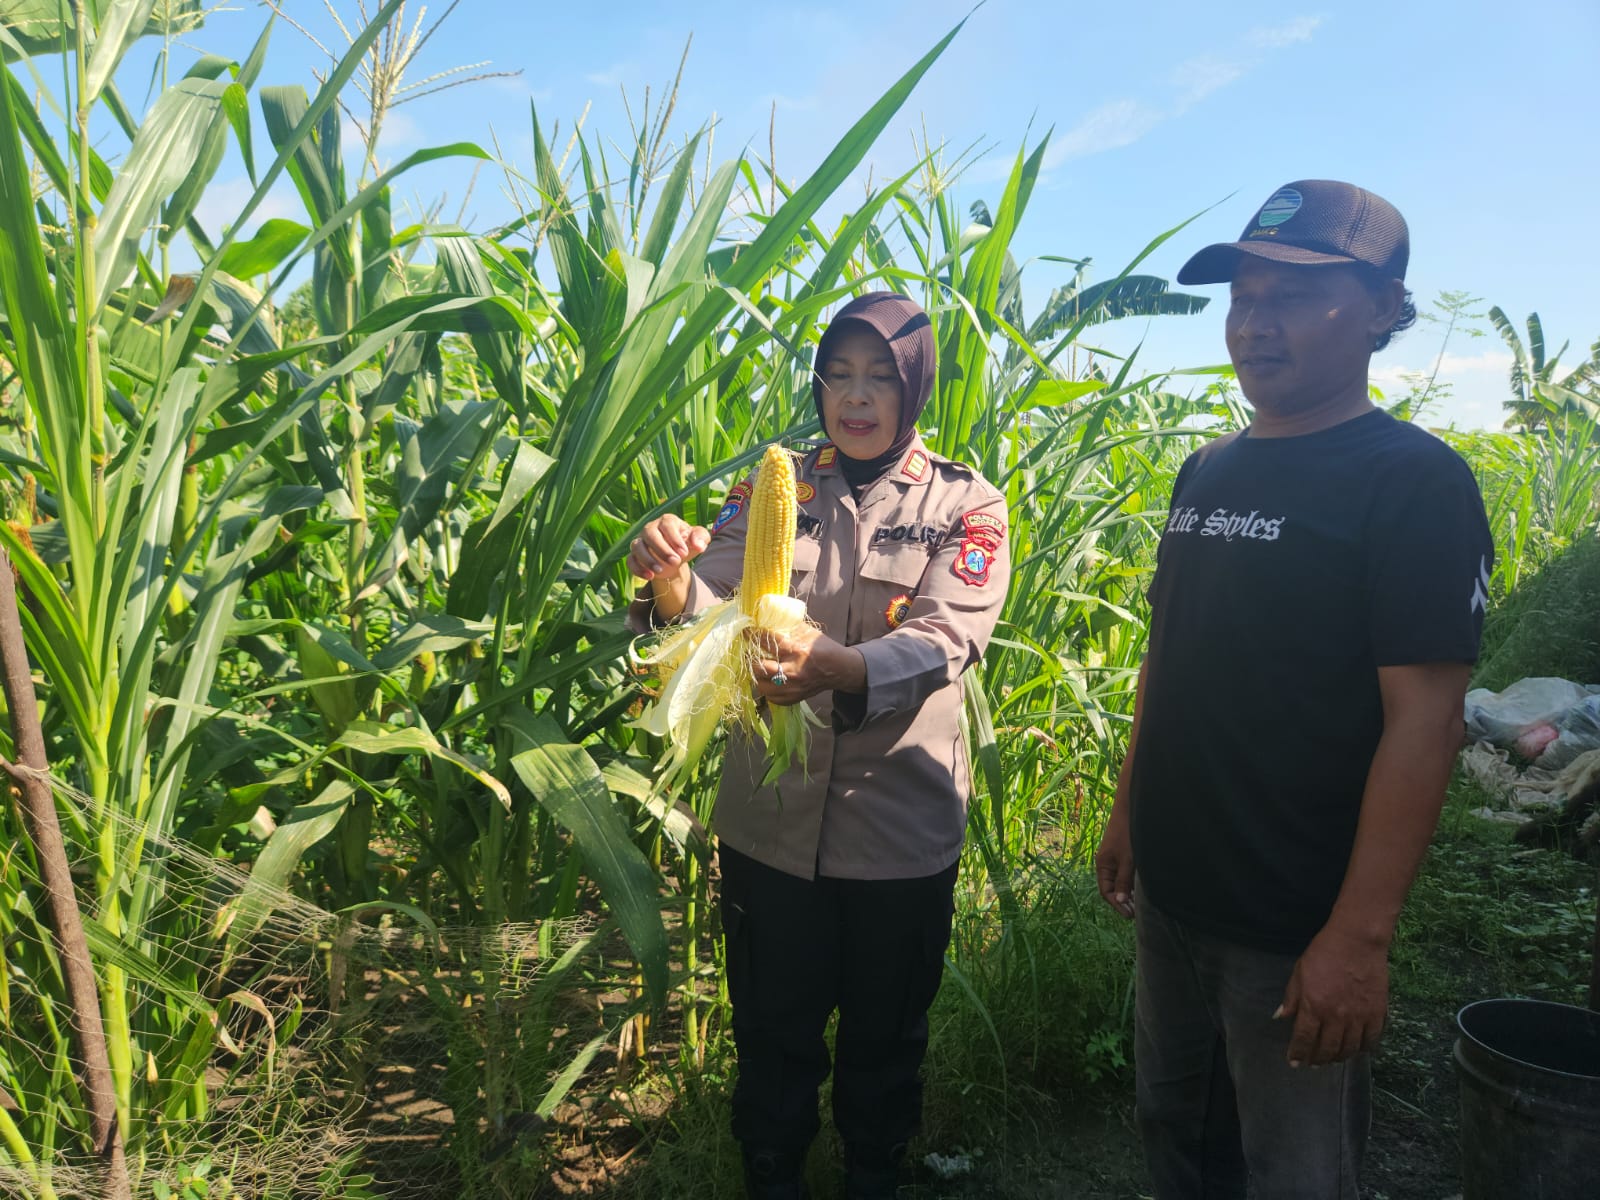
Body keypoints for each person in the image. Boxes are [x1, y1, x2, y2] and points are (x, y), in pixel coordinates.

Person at [1094, 180, 1494, 1198]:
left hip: (1292, 920)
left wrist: (1358, 937)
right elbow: (1169, 654)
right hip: (1176, 897)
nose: (1253, 324)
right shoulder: (1207, 472)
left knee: (1292, 1172)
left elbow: (1426, 718)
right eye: (1243, 298)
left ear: (1379, 311)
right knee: (1174, 1136)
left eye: (1291, 297)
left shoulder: (1410, 482)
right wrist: (1129, 802)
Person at [626, 292, 1010, 1199]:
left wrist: (839, 667)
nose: (856, 396)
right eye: (837, 376)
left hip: (899, 833)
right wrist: (672, 579)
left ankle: (874, 1171)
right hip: (770, 828)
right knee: (771, 1029)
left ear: (914, 385)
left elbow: (947, 638)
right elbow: (710, 602)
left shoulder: (968, 503)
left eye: (880, 375)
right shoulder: (773, 486)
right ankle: (771, 1171)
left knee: (886, 1038)